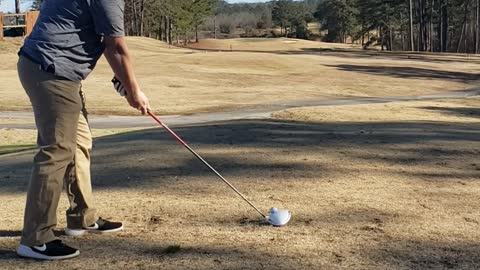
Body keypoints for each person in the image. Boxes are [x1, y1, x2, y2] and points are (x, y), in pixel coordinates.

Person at [16, 0, 150, 260]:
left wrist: (125, 82)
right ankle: (35, 238)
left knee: (79, 143)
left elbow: (100, 39)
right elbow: (117, 48)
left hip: (53, 69)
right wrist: (134, 92)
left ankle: (81, 218)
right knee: (57, 151)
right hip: (51, 70)